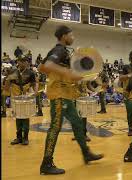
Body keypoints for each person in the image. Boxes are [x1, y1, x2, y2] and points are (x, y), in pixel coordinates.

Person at [38, 25, 103, 175]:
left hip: (66, 94)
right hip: (59, 94)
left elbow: (41, 67)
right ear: (63, 36)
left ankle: (86, 153)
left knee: (78, 123)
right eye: (71, 35)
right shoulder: (59, 49)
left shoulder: (62, 51)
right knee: (55, 127)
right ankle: (46, 163)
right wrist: (67, 73)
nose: (73, 38)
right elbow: (47, 66)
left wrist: (72, 75)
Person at [4, 57, 38, 145]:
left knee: (26, 117)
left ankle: (25, 137)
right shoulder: (13, 71)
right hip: (15, 96)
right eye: (21, 61)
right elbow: (8, 84)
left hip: (26, 96)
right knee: (17, 117)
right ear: (18, 61)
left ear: (27, 62)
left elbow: (34, 84)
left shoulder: (30, 73)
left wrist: (35, 92)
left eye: (24, 61)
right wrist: (7, 83)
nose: (22, 63)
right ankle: (18, 137)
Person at [119, 51, 132, 136]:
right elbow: (120, 78)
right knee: (130, 112)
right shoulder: (126, 67)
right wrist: (129, 75)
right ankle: (130, 129)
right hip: (128, 92)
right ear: (130, 57)